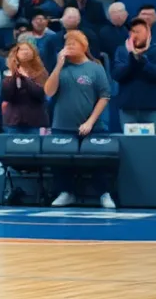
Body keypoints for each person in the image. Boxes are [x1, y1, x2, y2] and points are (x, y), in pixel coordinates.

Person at [45, 31, 114, 208]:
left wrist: (90, 122)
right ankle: (66, 192)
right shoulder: (62, 69)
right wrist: (58, 65)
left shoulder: (95, 67)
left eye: (74, 43)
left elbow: (105, 96)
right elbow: (49, 92)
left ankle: (104, 194)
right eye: (67, 44)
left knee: (97, 160)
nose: (69, 46)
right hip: (62, 125)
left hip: (92, 126)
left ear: (84, 45)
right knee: (60, 162)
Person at [112, 17, 156, 133]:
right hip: (128, 109)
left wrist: (141, 59)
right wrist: (133, 56)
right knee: (131, 147)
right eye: (132, 32)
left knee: (154, 146)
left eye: (138, 31)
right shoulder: (122, 51)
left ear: (148, 34)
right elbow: (118, 75)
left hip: (153, 109)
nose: (134, 35)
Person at [1, 42, 49, 134]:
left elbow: (40, 93)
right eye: (22, 49)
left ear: (33, 53)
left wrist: (25, 78)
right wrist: (15, 75)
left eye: (27, 49)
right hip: (13, 120)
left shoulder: (41, 72)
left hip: (35, 120)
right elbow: (7, 95)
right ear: (16, 53)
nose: (25, 52)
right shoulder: (8, 72)